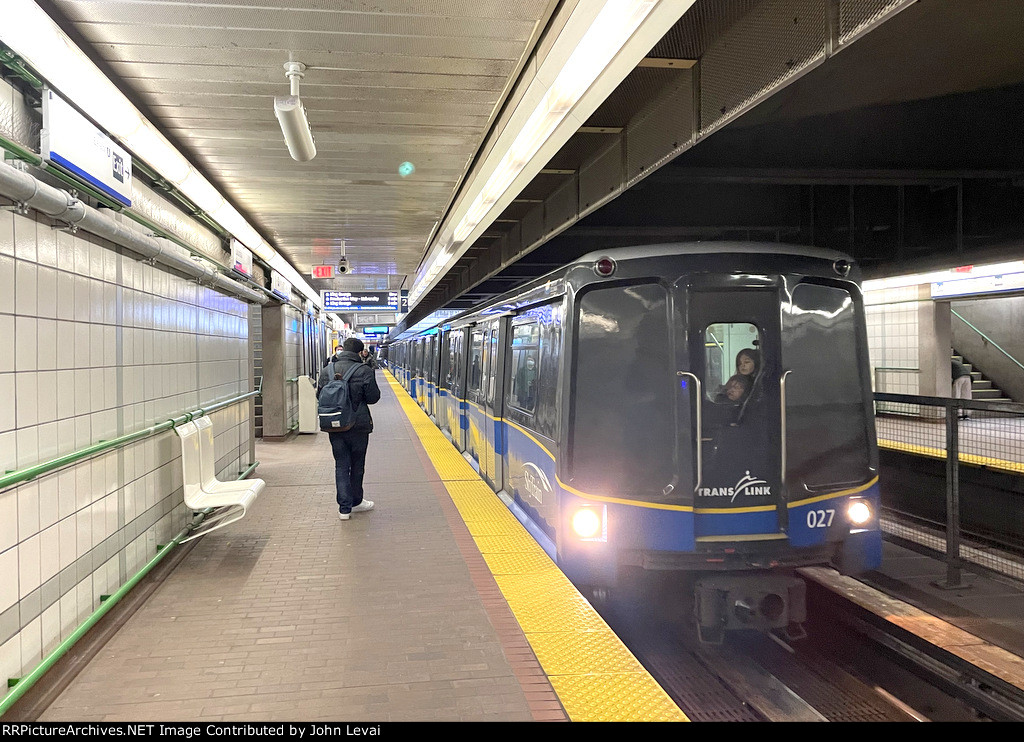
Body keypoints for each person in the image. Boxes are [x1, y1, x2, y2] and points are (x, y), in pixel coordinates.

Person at [317, 337, 381, 520]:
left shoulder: (327, 370)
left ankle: (344, 509)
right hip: (359, 425)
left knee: (341, 464)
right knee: (357, 464)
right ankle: (356, 501)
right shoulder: (364, 370)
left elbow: (319, 396)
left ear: (343, 349)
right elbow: (373, 398)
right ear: (361, 352)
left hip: (335, 425)